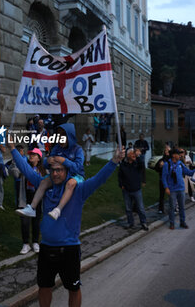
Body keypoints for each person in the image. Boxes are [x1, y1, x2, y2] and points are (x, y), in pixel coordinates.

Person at [8, 139, 125, 307]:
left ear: (67, 171)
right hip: (46, 248)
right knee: (44, 287)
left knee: (73, 289)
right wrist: (12, 149)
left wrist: (114, 161)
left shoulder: (78, 190)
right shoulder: (45, 186)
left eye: (59, 171)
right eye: (53, 171)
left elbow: (99, 179)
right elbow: (26, 169)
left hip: (69, 249)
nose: (55, 174)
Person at [16, 123, 85, 221]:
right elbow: (46, 163)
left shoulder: (77, 149)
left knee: (70, 184)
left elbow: (78, 167)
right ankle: (32, 208)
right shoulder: (57, 148)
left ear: (69, 135)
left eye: (63, 135)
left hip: (75, 175)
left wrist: (64, 161)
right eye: (59, 134)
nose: (60, 137)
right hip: (57, 175)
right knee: (44, 182)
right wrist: (47, 161)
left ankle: (58, 210)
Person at [8, 145, 45, 254]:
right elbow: (14, 173)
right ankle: (25, 244)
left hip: (38, 198)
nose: (31, 156)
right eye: (30, 154)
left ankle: (35, 242)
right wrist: (15, 162)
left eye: (33, 155)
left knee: (36, 221)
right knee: (24, 221)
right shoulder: (24, 167)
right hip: (25, 197)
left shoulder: (43, 170)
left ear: (39, 157)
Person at [162, 148, 194, 230]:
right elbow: (164, 177)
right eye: (178, 154)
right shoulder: (167, 164)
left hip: (181, 188)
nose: (180, 155)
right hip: (172, 189)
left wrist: (194, 169)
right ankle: (172, 223)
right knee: (172, 207)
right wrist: (166, 187)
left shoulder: (180, 163)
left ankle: (182, 222)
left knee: (182, 207)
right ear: (173, 155)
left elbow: (188, 172)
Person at [118, 148, 148, 230]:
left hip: (136, 189)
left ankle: (143, 222)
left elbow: (142, 165)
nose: (134, 155)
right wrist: (121, 185)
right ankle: (130, 223)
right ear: (128, 155)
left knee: (140, 208)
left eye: (134, 154)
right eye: (132, 154)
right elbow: (120, 176)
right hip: (126, 190)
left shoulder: (137, 163)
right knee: (128, 208)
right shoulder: (123, 164)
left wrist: (138, 156)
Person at [155, 145, 171, 213]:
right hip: (162, 179)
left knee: (171, 194)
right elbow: (156, 168)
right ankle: (161, 209)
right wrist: (160, 166)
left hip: (170, 179)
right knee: (161, 195)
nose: (167, 152)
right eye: (166, 151)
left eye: (168, 151)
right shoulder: (162, 160)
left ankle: (173, 208)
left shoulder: (171, 160)